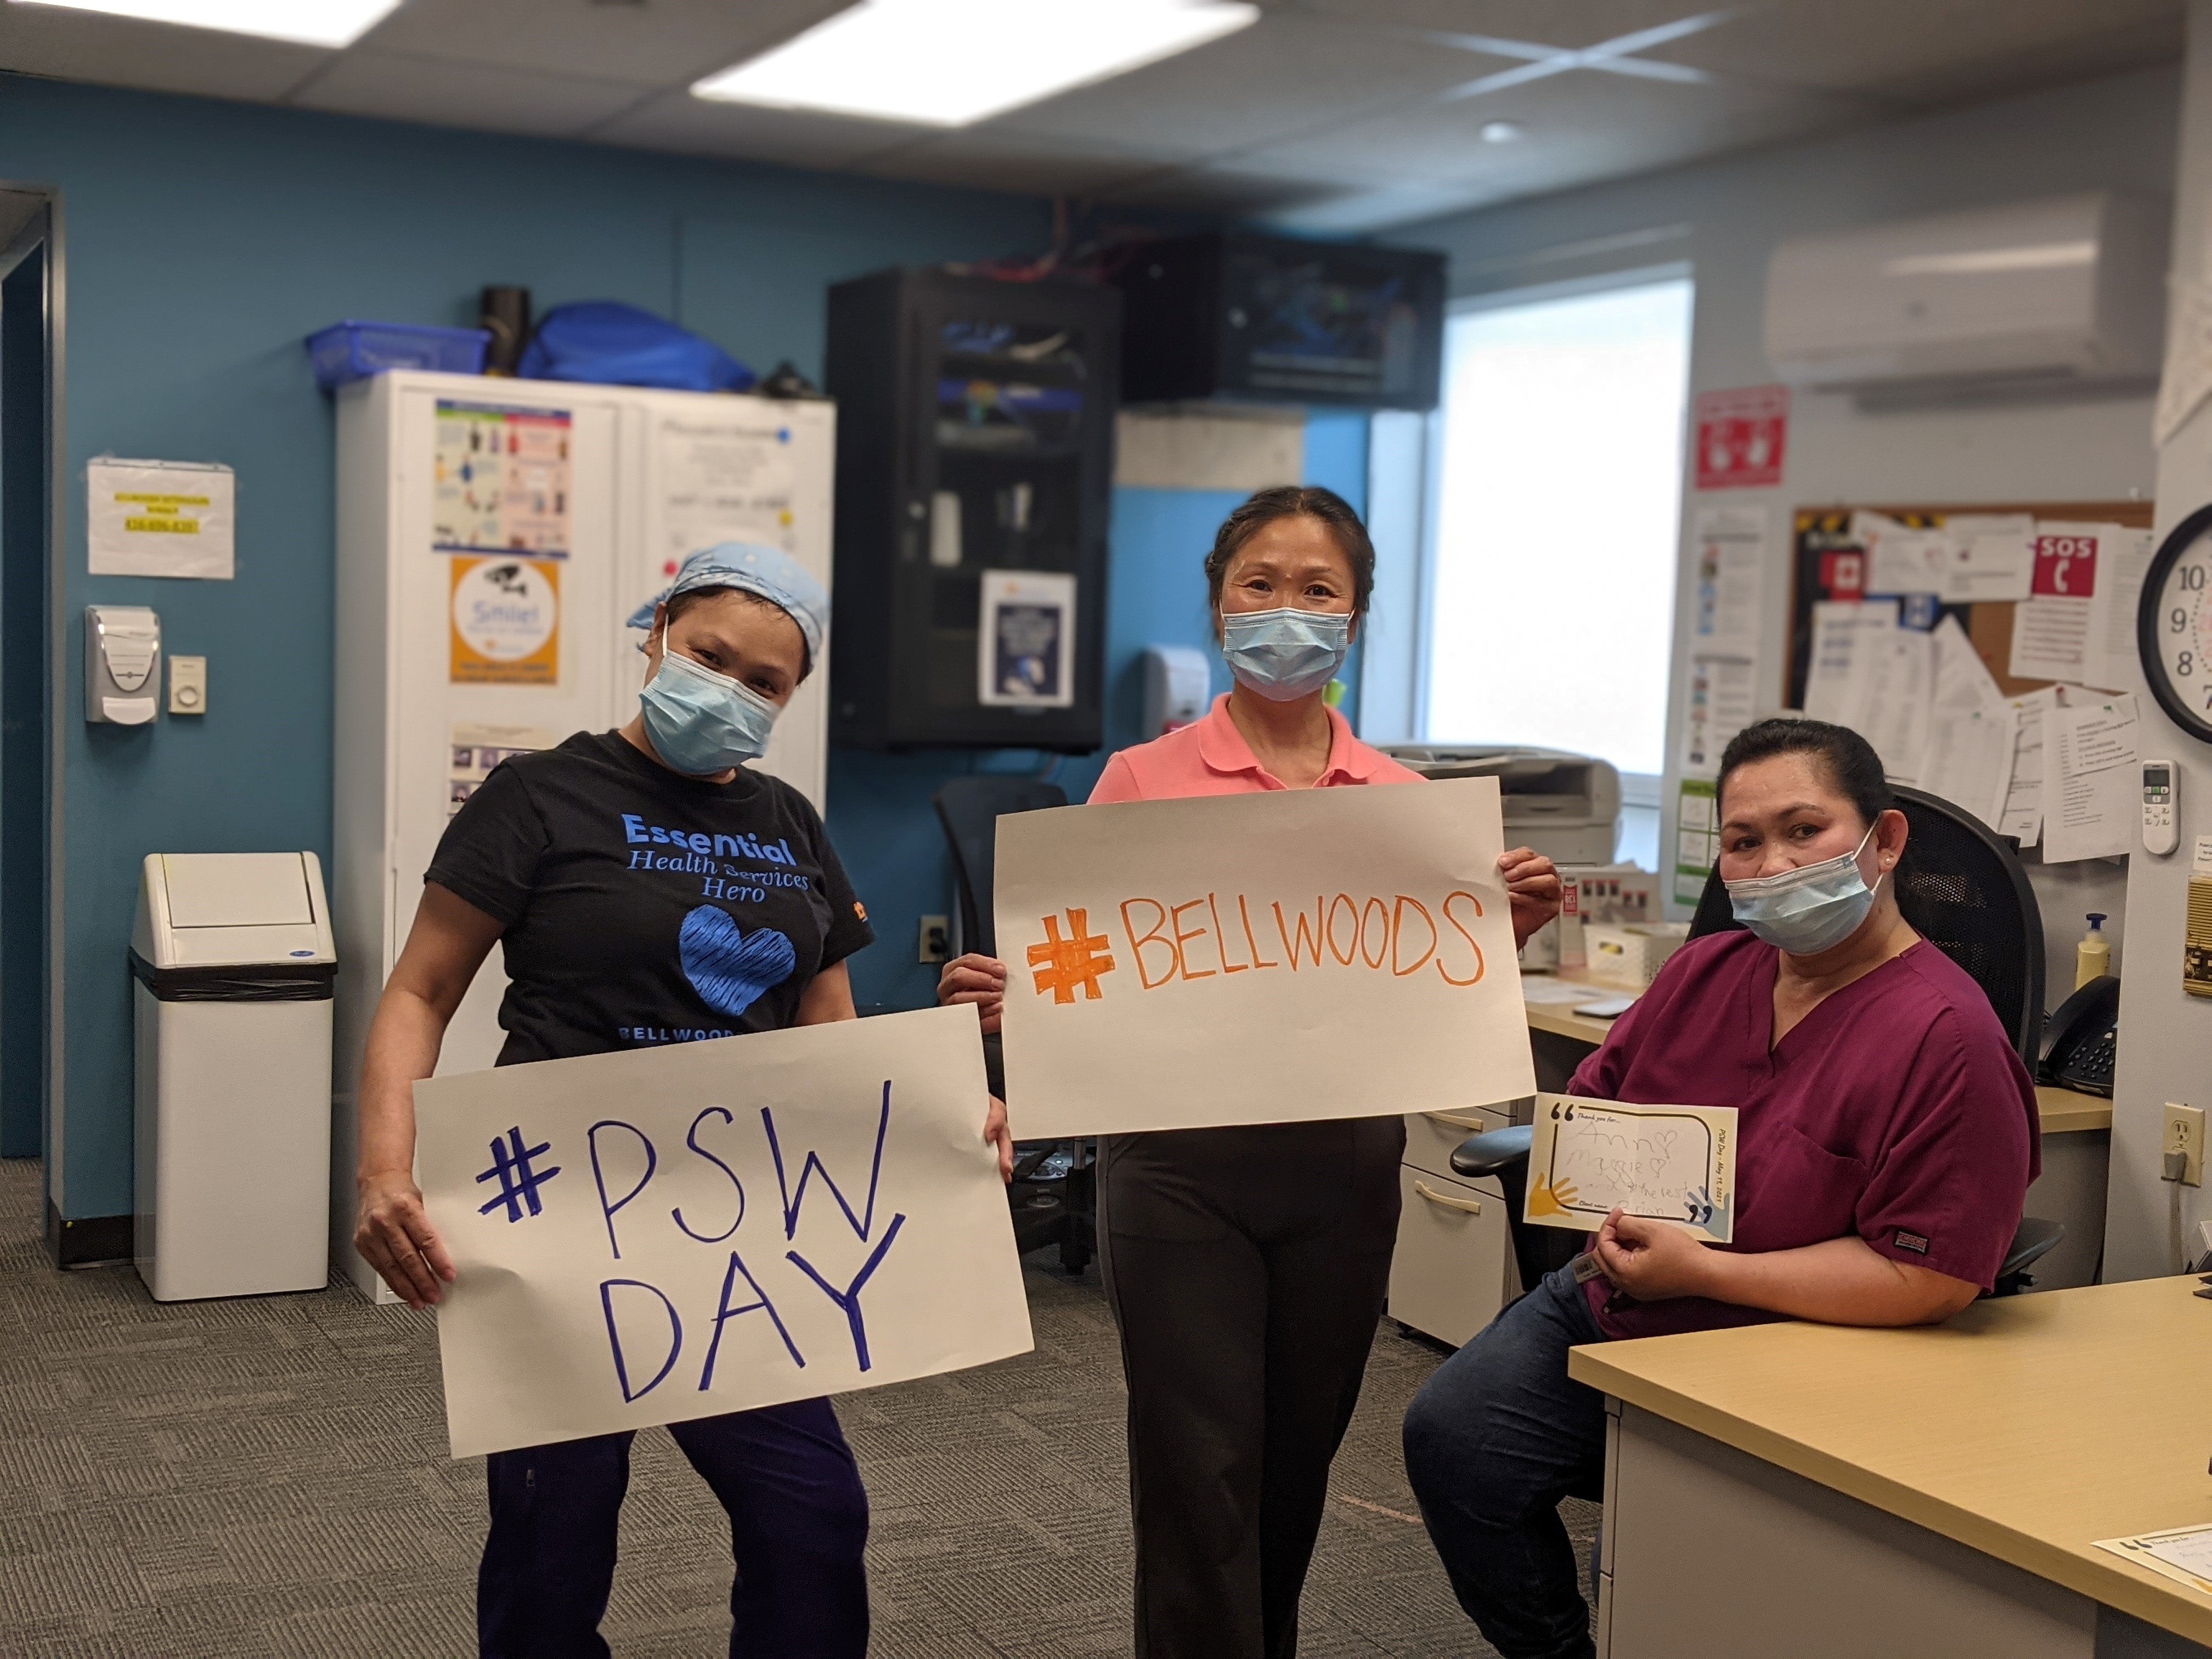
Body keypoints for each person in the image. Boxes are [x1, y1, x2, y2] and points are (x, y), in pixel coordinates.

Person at [350, 542, 1013, 1659]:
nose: (734, 689)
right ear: (657, 636)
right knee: (553, 1543)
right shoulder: (539, 797)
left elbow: (827, 1041)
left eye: (767, 681)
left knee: (813, 1518)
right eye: (711, 656)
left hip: (743, 1225)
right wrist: (383, 1172)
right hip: (562, 1218)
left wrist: (939, 1125)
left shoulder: (790, 822)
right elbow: (421, 989)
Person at [935, 486, 1564, 1659]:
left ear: (1357, 616)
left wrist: (1501, 934)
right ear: (1221, 606)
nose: (1288, 611)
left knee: (1296, 1462)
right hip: (1180, 1170)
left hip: (1341, 1168)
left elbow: (1419, 991)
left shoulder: (1408, 812)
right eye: (1260, 585)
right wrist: (1010, 996)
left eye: (1318, 589)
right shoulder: (1142, 778)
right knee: (1199, 1468)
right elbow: (1086, 963)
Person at [1401, 716, 2040, 1659]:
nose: (1773, 864)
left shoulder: (1950, 1038)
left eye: (1804, 831)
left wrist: (1705, 1273)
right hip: (1620, 1299)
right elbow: (1593, 1113)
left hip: (1787, 1347)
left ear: (1885, 841)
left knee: (1703, 1562)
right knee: (1452, 1442)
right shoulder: (1707, 970)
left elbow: (1930, 1279)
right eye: (1744, 843)